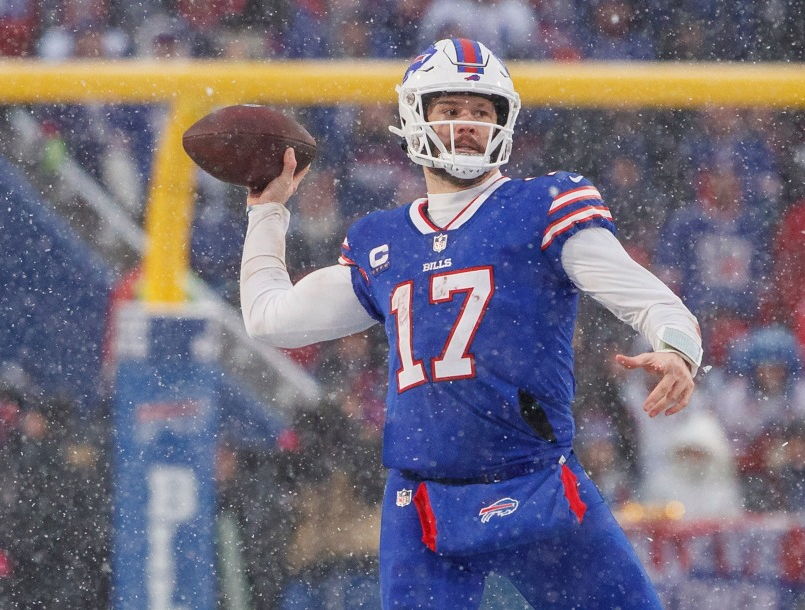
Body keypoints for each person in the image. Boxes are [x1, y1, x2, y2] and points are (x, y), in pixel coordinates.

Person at [240, 38, 703, 608]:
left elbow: (654, 302)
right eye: (450, 110)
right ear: (416, 117)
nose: (466, 125)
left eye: (481, 112)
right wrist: (267, 211)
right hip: (425, 500)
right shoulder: (381, 240)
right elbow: (269, 320)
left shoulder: (544, 205)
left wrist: (677, 349)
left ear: (503, 124)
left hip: (535, 480)